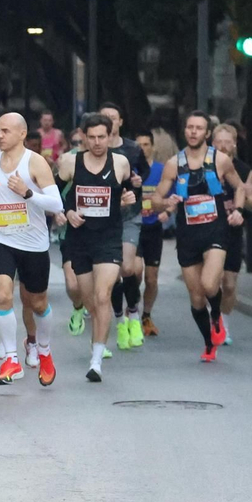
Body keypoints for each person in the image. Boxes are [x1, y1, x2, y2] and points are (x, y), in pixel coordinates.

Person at [0, 113, 65, 386]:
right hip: (2, 239)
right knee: (2, 296)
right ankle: (11, 358)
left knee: (37, 303)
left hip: (33, 243)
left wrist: (28, 193)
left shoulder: (35, 162)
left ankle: (44, 351)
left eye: (6, 131)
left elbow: (56, 204)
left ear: (22, 134)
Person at [155, 110, 247, 362]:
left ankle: (216, 317)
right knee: (196, 297)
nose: (193, 132)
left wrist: (238, 210)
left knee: (209, 285)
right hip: (188, 235)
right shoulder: (175, 164)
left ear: (207, 133)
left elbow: (240, 187)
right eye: (189, 127)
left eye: (198, 128)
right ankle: (209, 343)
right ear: (185, 131)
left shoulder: (219, 160)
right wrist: (166, 203)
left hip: (215, 230)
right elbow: (155, 200)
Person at [57, 113, 132, 382]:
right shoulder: (69, 163)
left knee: (103, 296)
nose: (97, 142)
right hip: (80, 239)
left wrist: (128, 199)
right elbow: (53, 193)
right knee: (88, 297)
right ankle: (96, 339)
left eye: (102, 136)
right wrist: (68, 211)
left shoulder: (121, 162)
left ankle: (96, 360)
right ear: (83, 137)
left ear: (110, 136)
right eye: (92, 137)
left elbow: (129, 193)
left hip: (109, 238)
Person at [98, 103, 149, 352]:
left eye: (113, 118)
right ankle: (120, 320)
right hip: (105, 218)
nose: (109, 121)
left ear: (120, 122)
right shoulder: (96, 149)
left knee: (129, 267)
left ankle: (133, 312)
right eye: (104, 117)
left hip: (129, 215)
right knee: (114, 273)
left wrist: (138, 181)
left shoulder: (132, 148)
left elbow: (142, 175)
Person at [211, 124, 252, 343]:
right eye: (218, 141)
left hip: (232, 230)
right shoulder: (204, 167)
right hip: (209, 229)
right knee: (212, 281)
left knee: (229, 284)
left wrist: (243, 199)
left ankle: (224, 323)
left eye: (227, 141)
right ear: (212, 144)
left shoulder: (244, 170)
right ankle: (213, 322)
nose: (223, 145)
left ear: (235, 144)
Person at [134, 131, 165, 336]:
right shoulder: (131, 169)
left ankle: (146, 315)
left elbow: (173, 196)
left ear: (152, 146)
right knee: (135, 273)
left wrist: (167, 212)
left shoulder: (162, 170)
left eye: (146, 144)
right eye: (139, 145)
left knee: (152, 279)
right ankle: (132, 310)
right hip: (134, 227)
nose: (143, 148)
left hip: (154, 228)